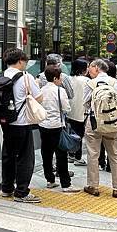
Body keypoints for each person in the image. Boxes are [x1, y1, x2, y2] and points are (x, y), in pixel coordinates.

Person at [0, 48, 43, 204]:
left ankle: (6, 189)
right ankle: (22, 192)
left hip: (6, 122)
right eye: (25, 61)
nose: (25, 64)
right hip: (21, 123)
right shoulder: (26, 77)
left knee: (8, 155)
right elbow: (39, 98)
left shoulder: (1, 75)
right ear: (20, 61)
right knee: (25, 158)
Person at [83, 59, 117, 198]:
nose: (89, 70)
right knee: (114, 154)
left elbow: (86, 103)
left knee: (93, 153)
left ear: (96, 68)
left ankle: (93, 186)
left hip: (95, 122)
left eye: (90, 67)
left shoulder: (90, 83)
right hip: (112, 122)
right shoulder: (116, 83)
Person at [38, 65, 80, 193]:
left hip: (43, 125)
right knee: (61, 154)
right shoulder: (59, 91)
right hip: (56, 126)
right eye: (60, 77)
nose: (61, 79)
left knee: (46, 153)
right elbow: (66, 108)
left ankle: (50, 180)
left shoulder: (41, 90)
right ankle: (66, 184)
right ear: (55, 78)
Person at [67, 59, 89, 166]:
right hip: (81, 111)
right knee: (79, 134)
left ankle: (70, 154)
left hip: (69, 110)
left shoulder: (68, 79)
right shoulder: (86, 80)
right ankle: (78, 157)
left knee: (71, 133)